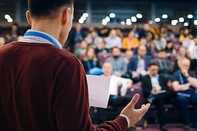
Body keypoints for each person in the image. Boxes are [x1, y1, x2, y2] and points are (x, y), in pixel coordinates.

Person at [0, 0, 150, 130]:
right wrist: (124, 120)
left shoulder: (2, 54)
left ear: (28, 17)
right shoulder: (66, 64)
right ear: (66, 15)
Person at [142, 62, 175, 131]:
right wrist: (152, 91)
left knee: (172, 92)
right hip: (152, 95)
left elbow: (166, 88)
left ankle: (157, 97)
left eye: (156, 70)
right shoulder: (145, 78)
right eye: (153, 70)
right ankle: (162, 125)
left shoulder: (162, 77)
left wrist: (160, 88)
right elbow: (144, 90)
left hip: (161, 94)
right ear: (149, 69)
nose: (155, 71)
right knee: (160, 101)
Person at [172, 58, 197, 131]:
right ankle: (187, 123)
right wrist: (189, 84)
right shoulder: (176, 74)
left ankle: (195, 121)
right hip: (181, 94)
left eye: (187, 66)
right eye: (184, 65)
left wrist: (187, 76)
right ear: (180, 65)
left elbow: (196, 85)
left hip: (191, 93)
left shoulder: (191, 73)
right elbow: (176, 88)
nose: (185, 67)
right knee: (181, 100)